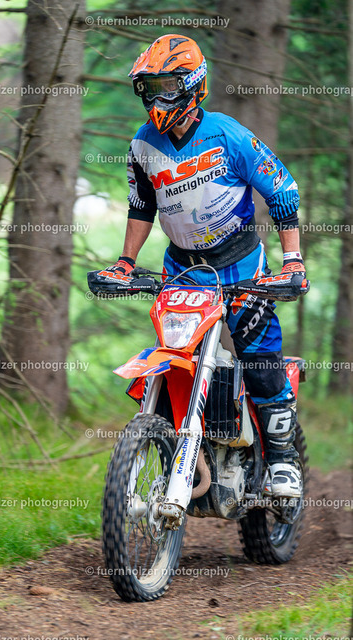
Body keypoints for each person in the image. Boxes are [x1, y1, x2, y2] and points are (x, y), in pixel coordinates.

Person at [106, 34, 307, 499]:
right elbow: (141, 206)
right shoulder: (142, 144)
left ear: (192, 84)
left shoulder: (227, 134)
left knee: (259, 355)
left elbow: (282, 189)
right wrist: (125, 263)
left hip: (241, 264)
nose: (156, 98)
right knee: (174, 358)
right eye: (149, 88)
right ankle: (177, 451)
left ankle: (282, 459)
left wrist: (292, 260)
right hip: (181, 271)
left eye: (166, 86)